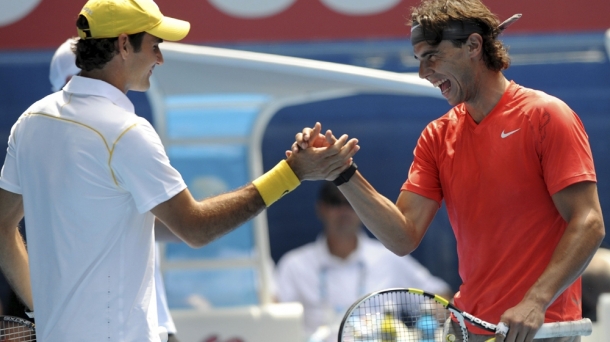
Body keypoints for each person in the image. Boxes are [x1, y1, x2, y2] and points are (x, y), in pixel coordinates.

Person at [0, 0, 359, 341]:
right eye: (155, 45)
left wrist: (42, 307)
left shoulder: (29, 122)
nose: (160, 57)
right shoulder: (126, 131)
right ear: (124, 45)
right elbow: (197, 228)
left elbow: (7, 225)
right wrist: (291, 172)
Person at [292, 0, 605, 341]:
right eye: (419, 60)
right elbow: (402, 236)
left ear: (473, 45)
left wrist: (536, 300)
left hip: (541, 329)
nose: (424, 72)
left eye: (432, 56)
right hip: (469, 329)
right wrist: (343, 173)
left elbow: (588, 222)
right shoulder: (437, 137)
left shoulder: (547, 116)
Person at [49, 35, 181, 342]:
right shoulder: (123, 134)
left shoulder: (127, 135)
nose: (158, 59)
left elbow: (170, 225)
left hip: (152, 325)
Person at [274, 181, 452, 340]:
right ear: (321, 208)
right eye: (335, 202)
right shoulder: (293, 265)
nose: (344, 211)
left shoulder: (389, 256)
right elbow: (274, 319)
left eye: (351, 203)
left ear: (363, 209)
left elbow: (440, 295)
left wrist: (430, 315)